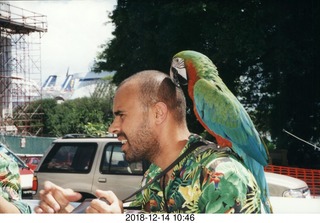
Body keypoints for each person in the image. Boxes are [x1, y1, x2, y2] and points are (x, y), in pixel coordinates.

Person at [35, 70, 261, 214]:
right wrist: (66, 215)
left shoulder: (223, 177)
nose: (112, 127)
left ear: (158, 114)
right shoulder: (155, 174)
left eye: (121, 115)